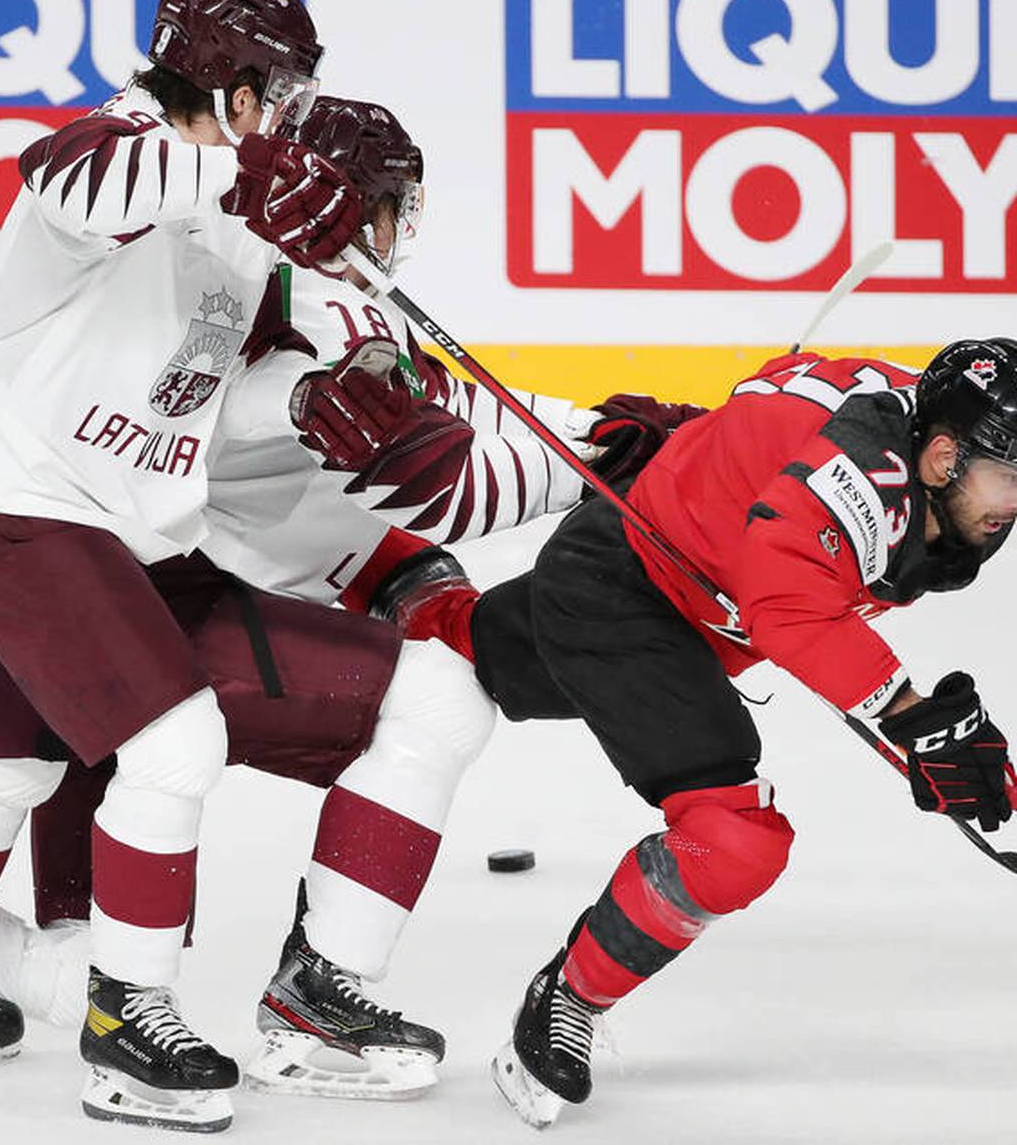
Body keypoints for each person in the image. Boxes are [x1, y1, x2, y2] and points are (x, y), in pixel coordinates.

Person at [0, 0, 360, 1133]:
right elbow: (70, 179)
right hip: (17, 499)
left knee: (6, 769)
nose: (282, 116)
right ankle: (131, 1023)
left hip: (77, 513)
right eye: (272, 92)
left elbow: (280, 334)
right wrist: (253, 170)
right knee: (175, 747)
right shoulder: (111, 151)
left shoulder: (235, 211)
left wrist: (360, 370)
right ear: (225, 85)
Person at [405, 340, 1017, 1127]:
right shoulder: (867, 474)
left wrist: (726, 445)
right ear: (941, 457)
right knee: (735, 841)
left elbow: (773, 385)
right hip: (627, 592)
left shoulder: (920, 428)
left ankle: (400, 598)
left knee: (464, 658)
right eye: (1012, 477)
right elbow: (787, 595)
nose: (1015, 504)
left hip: (665, 560)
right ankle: (569, 997)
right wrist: (908, 717)